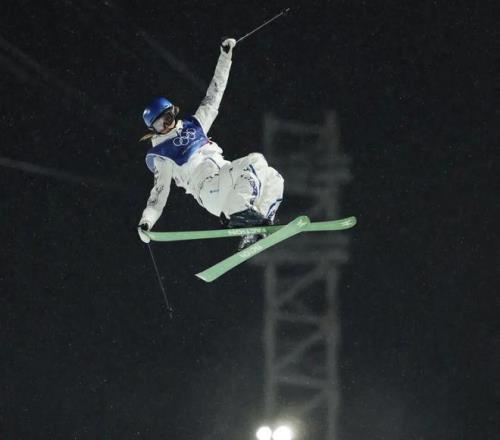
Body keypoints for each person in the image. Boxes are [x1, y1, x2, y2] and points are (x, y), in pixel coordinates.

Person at [137, 38, 284, 250]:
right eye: (159, 125)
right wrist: (147, 221)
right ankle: (239, 212)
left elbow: (214, 95)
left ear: (173, 113)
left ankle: (255, 228)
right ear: (153, 130)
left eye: (167, 119)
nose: (166, 126)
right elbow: (158, 193)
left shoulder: (195, 124)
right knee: (256, 160)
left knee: (274, 177)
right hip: (209, 190)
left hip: (229, 180)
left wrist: (225, 57)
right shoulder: (162, 154)